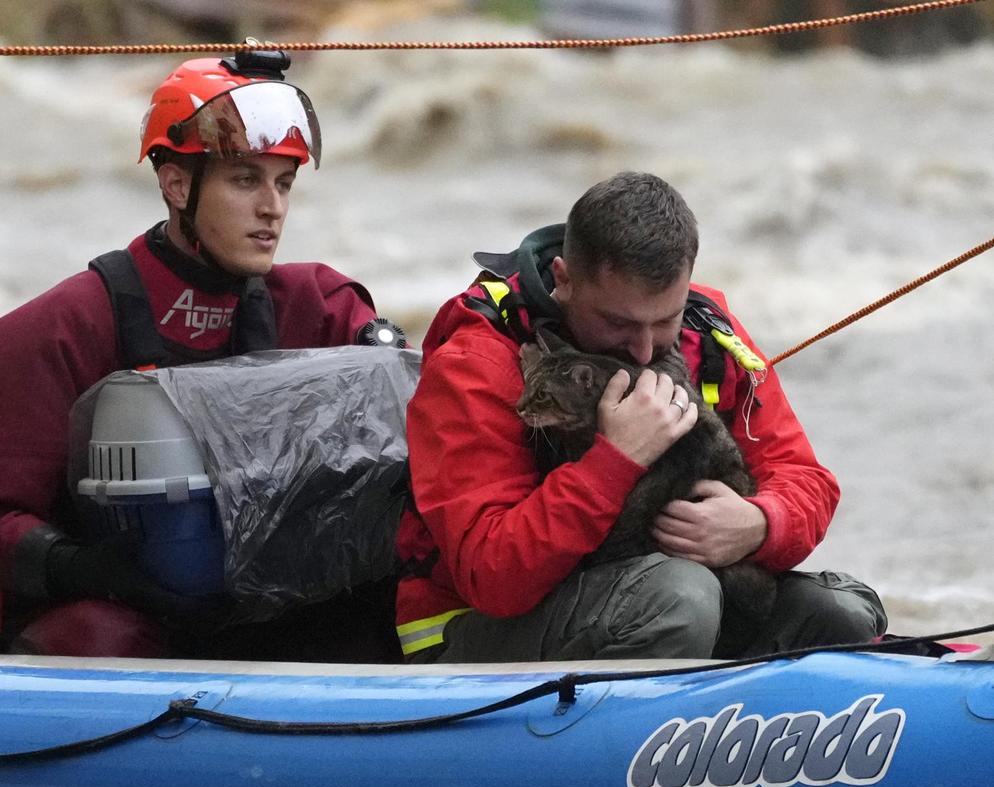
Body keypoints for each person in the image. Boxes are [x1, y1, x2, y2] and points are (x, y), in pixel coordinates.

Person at [0, 50, 401, 660]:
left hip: (276, 602)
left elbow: (421, 420)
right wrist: (85, 569)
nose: (273, 208)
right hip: (130, 614)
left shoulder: (321, 307)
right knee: (94, 637)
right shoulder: (62, 327)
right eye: (246, 180)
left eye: (283, 183)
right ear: (177, 184)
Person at [395, 171, 886, 663]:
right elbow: (492, 575)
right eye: (618, 323)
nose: (646, 349)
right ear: (564, 281)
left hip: (662, 599)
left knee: (840, 613)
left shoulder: (707, 333)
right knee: (679, 598)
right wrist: (616, 460)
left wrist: (758, 522)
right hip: (470, 635)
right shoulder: (476, 362)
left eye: (665, 321)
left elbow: (805, 478)